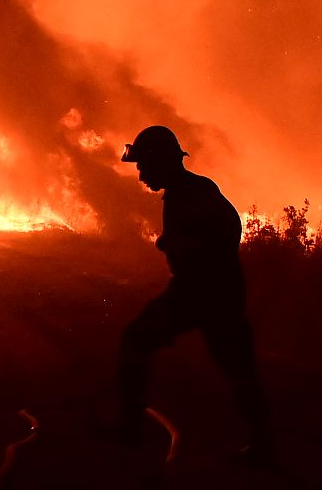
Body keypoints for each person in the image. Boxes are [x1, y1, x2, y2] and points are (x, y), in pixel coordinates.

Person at [115, 125, 273, 465]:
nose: (140, 173)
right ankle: (130, 427)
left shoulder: (195, 192)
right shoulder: (185, 191)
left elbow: (227, 231)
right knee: (139, 340)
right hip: (199, 291)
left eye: (144, 165)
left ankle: (263, 447)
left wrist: (182, 246)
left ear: (161, 162)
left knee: (236, 368)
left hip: (211, 293)